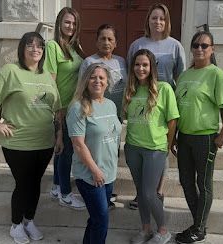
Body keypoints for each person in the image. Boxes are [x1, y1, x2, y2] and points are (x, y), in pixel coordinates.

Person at [0, 32, 62, 244]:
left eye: (40, 46)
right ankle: (16, 224)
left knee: (35, 184)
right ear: (22, 48)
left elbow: (57, 110)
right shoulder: (10, 71)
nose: (35, 49)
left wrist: (59, 136)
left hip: (44, 142)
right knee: (23, 184)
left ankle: (29, 220)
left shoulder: (46, 76)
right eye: (30, 45)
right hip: (18, 142)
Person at [172, 31, 223, 244]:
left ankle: (198, 228)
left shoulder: (215, 74)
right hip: (184, 137)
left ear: (212, 49)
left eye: (204, 45)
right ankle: (198, 223)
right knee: (185, 180)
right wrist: (173, 136)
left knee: (204, 183)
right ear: (191, 48)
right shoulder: (184, 74)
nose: (200, 49)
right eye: (196, 45)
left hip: (205, 138)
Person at [127, 2, 186, 210]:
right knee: (141, 148)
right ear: (148, 20)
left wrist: (178, 108)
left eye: (162, 18)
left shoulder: (175, 46)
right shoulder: (137, 44)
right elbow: (131, 73)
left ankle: (158, 192)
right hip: (143, 102)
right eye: (154, 18)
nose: (158, 22)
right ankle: (141, 193)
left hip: (165, 103)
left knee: (162, 147)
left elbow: (181, 77)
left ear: (167, 21)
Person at [123, 49, 179, 244]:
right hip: (132, 147)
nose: (140, 68)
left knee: (149, 192)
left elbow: (172, 120)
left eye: (145, 64)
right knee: (141, 192)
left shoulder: (164, 88)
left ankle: (163, 230)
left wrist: (167, 145)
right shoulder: (130, 90)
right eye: (137, 64)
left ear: (152, 67)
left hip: (155, 149)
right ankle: (146, 229)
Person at [66, 63, 122, 244]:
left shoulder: (111, 105)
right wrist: (95, 170)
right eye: (93, 77)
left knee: (96, 218)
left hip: (109, 173)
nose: (97, 81)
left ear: (107, 83)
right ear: (85, 81)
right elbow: (78, 144)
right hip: (91, 175)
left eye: (101, 78)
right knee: (102, 220)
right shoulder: (78, 107)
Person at [78, 23, 127, 208]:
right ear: (96, 41)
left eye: (110, 39)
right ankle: (93, 189)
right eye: (102, 38)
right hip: (94, 116)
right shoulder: (89, 62)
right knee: (95, 152)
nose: (106, 42)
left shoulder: (121, 61)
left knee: (112, 153)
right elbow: (82, 87)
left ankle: (108, 189)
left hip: (115, 114)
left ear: (115, 43)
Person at [44, 7, 85, 210]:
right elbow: (51, 80)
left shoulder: (75, 47)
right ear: (60, 23)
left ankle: (56, 186)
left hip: (74, 107)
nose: (70, 26)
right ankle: (66, 194)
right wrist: (57, 110)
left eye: (74, 23)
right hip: (61, 108)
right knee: (65, 151)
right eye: (67, 22)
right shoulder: (53, 46)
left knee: (61, 151)